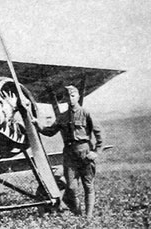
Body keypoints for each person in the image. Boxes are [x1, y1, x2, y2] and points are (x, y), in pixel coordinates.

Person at [37, 85, 103, 218]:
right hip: (69, 153)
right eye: (68, 96)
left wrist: (96, 151)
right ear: (65, 98)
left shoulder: (85, 113)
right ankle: (77, 212)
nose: (70, 99)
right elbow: (50, 132)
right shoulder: (62, 117)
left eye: (73, 96)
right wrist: (37, 124)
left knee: (88, 185)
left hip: (84, 152)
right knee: (71, 187)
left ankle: (88, 217)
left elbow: (99, 133)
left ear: (77, 97)